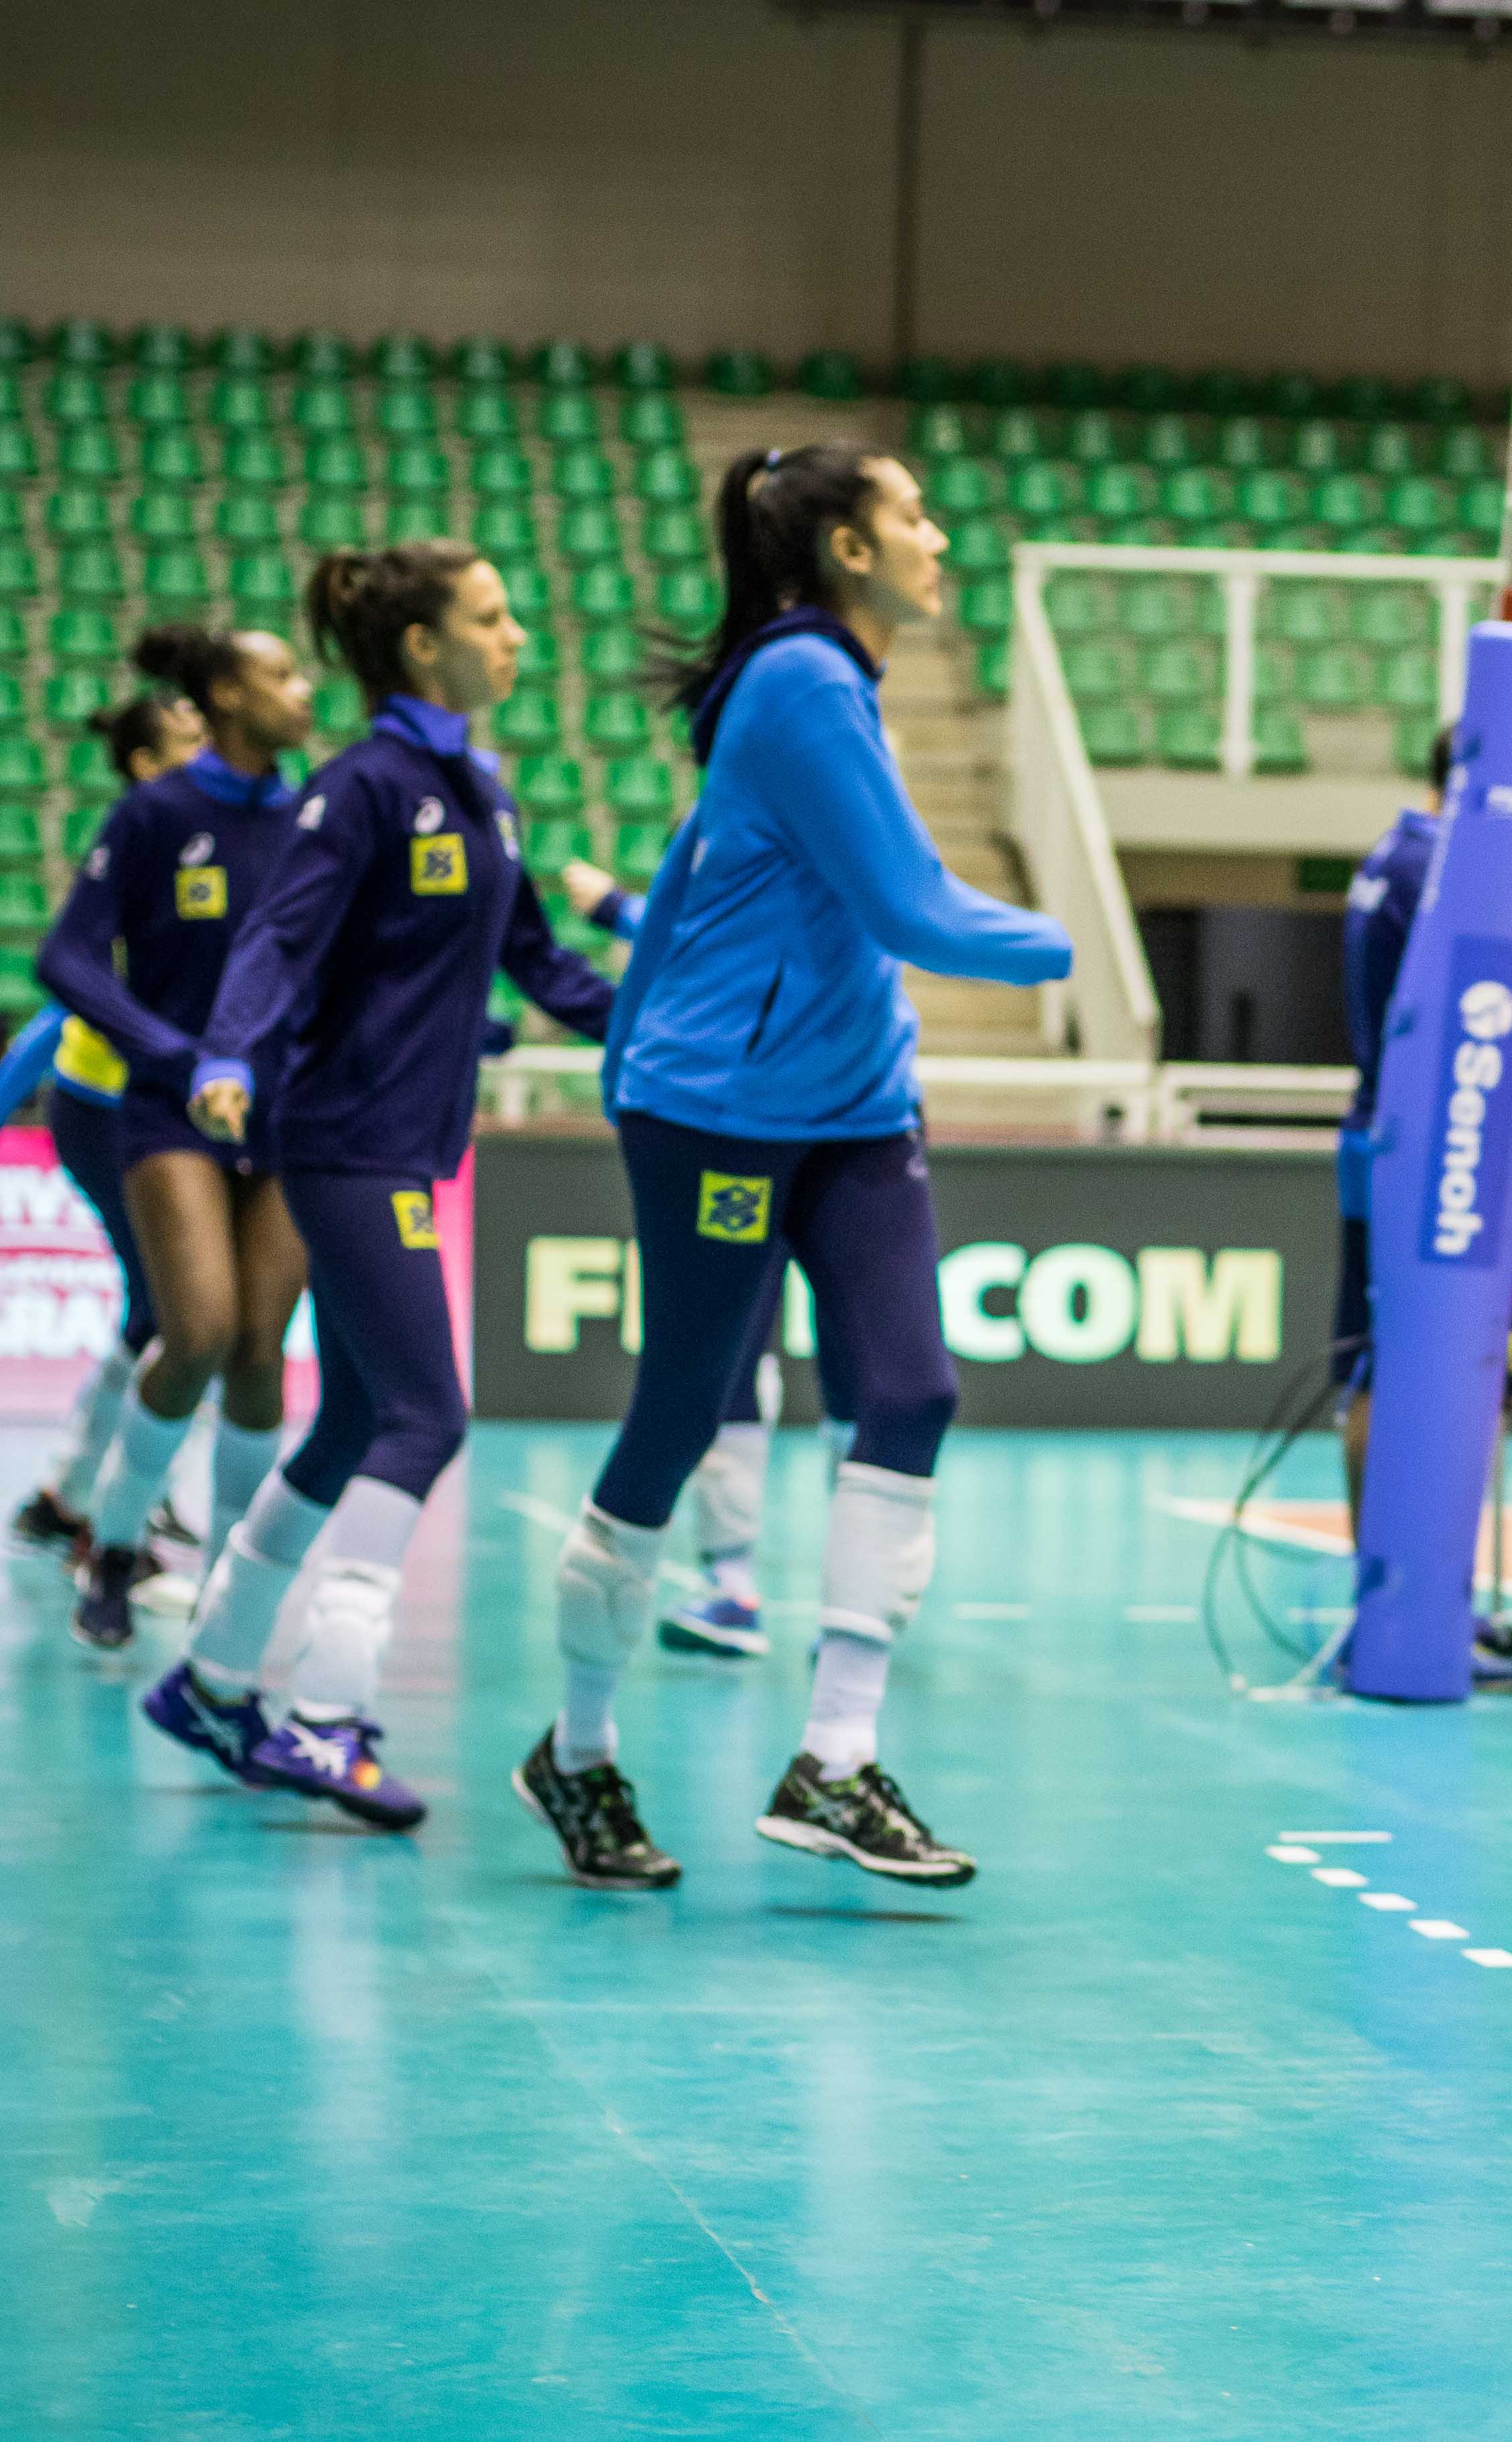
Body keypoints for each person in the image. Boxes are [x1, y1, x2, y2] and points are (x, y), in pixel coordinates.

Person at [517, 442, 1069, 1894]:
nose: (938, 535)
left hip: (854, 1100)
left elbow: (785, 889)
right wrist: (1065, 939)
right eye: (913, 515)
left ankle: (834, 1761)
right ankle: (575, 1754)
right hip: (724, 1108)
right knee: (684, 1409)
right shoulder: (800, 682)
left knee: (912, 1388)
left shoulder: (837, 687)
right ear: (845, 548)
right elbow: (915, 910)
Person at [165, 542, 618, 1829]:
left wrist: (656, 1022)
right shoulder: (363, 787)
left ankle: (207, 1680)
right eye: (492, 614)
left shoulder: (483, 789)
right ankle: (323, 1718)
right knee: (429, 1418)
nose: (517, 631)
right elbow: (278, 934)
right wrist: (228, 1051)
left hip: (411, 1142)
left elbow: (540, 961)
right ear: (423, 646)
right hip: (347, 1141)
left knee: (356, 1423)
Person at [50, 625, 319, 1654]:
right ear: (221, 696)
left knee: (261, 1352)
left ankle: (226, 1583)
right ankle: (113, 1546)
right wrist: (179, 1054)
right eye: (280, 676)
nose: (303, 692)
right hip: (170, 1109)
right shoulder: (157, 812)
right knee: (194, 1329)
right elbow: (67, 957)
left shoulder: (312, 817)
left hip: (283, 1113)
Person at [1331, 725, 1512, 1688]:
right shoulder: (1438, 867)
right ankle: (1406, 1597)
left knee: (1391, 1363)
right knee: (1407, 1370)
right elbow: (1459, 997)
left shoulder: (1393, 856)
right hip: (1430, 1149)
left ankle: (1412, 1591)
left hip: (1393, 1137)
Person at [558, 850, 839, 1659]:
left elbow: (713, 940)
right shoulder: (763, 834)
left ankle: (837, 1601)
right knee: (733, 1354)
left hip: (840, 1130)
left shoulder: (858, 859)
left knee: (866, 1372)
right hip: (740, 1129)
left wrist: (614, 907)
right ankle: (734, 1585)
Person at [9, 696, 203, 1565]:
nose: (206, 751)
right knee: (173, 1312)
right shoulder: (143, 841)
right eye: (188, 740)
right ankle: (117, 1510)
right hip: (105, 1109)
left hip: (161, 1108)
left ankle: (70, 1497)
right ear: (144, 763)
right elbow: (66, 993)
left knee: (156, 1309)